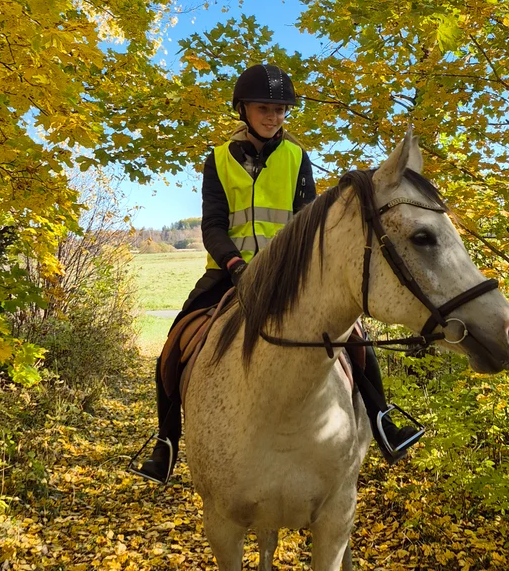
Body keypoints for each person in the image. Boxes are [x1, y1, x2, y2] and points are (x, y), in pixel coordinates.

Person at [136, 62, 425, 484]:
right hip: (228, 272)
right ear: (243, 110)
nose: (273, 117)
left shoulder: (296, 157)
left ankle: (383, 420)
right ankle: (166, 443)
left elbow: (306, 219)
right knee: (176, 339)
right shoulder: (217, 160)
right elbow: (213, 225)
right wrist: (235, 264)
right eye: (264, 109)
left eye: (280, 109)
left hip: (287, 274)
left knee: (355, 336)